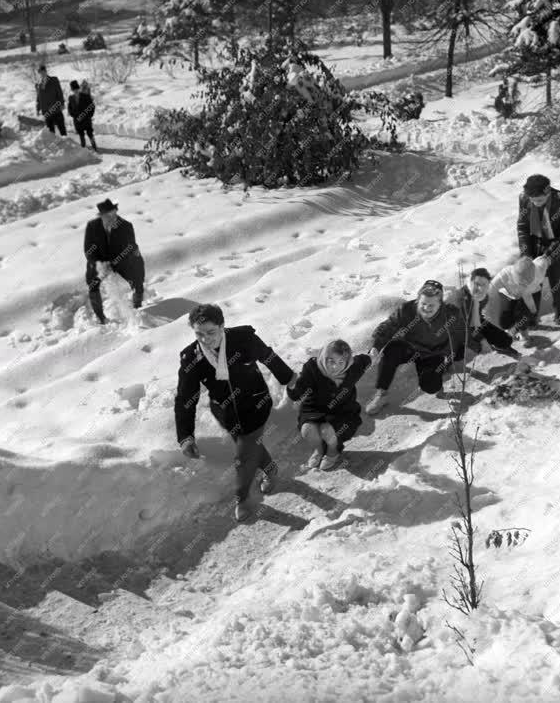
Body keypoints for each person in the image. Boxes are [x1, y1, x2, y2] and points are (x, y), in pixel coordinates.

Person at [174, 304, 297, 522]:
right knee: (251, 446)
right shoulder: (191, 359)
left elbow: (268, 357)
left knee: (244, 455)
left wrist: (290, 379)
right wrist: (185, 436)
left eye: (211, 332)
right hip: (226, 413)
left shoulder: (243, 339)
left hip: (256, 405)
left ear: (222, 326)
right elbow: (185, 399)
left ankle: (242, 499)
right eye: (199, 334)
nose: (205, 339)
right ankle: (271, 470)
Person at [366, 280, 469, 415]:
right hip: (410, 347)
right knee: (391, 350)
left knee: (431, 387)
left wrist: (450, 356)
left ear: (440, 304)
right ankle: (381, 394)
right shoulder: (407, 309)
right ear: (417, 301)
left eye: (431, 305)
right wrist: (376, 347)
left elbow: (461, 334)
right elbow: (387, 327)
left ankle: (440, 374)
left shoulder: (451, 314)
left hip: (433, 353)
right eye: (423, 304)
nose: (426, 308)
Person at [287, 340, 371, 471]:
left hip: (342, 412)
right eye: (331, 361)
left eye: (340, 362)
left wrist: (373, 354)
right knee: (308, 430)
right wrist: (293, 387)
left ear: (347, 362)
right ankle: (320, 450)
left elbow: (366, 360)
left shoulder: (353, 368)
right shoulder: (312, 368)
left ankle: (333, 451)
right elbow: (298, 392)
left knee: (327, 430)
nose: (335, 367)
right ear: (324, 357)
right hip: (314, 409)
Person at [517, 174, 560, 324]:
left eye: (540, 200)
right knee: (531, 280)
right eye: (533, 200)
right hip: (536, 242)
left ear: (548, 192)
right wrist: (526, 255)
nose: (535, 204)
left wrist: (548, 257)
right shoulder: (524, 198)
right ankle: (530, 318)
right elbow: (523, 227)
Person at [83, 198, 145, 324]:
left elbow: (129, 247)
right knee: (93, 284)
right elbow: (88, 249)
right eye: (108, 215)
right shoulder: (92, 226)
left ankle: (137, 309)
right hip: (100, 263)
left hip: (122, 260)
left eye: (113, 213)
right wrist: (99, 264)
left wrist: (114, 263)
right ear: (102, 216)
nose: (112, 217)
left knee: (137, 279)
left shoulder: (126, 226)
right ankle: (101, 317)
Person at [448, 267, 518, 356]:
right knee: (458, 354)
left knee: (505, 339)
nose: (480, 288)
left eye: (484, 284)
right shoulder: (462, 299)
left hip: (473, 322)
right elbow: (463, 328)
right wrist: (481, 341)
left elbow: (478, 318)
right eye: (477, 284)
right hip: (457, 328)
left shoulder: (484, 296)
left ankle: (499, 345)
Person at [485, 255, 549, 346]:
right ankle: (510, 330)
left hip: (532, 292)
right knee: (504, 321)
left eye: (526, 283)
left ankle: (525, 336)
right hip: (509, 294)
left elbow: (542, 261)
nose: (522, 286)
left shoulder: (538, 272)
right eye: (521, 283)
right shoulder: (505, 274)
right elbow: (491, 288)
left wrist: (533, 309)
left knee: (523, 315)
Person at [35, 64, 66, 135]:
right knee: (51, 133)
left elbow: (59, 92)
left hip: (56, 109)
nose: (42, 74)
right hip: (46, 112)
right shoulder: (38, 85)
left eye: (43, 72)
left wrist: (62, 103)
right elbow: (38, 98)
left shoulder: (54, 80)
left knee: (62, 130)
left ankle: (67, 144)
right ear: (39, 74)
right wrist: (37, 108)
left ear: (46, 71)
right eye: (40, 73)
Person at [68, 80, 97, 151]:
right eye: (74, 90)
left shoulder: (86, 96)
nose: (76, 91)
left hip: (86, 119)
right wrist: (73, 115)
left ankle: (94, 147)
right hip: (77, 120)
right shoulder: (71, 98)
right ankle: (83, 148)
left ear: (78, 89)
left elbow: (92, 106)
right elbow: (69, 108)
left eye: (77, 89)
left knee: (90, 133)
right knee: (81, 135)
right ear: (72, 90)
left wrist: (89, 115)